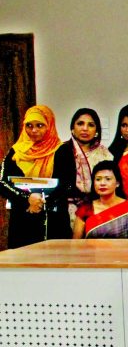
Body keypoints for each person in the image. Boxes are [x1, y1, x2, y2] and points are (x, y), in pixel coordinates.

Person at [0, 104, 70, 248]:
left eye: (39, 125)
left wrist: (41, 201)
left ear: (49, 126)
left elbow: (68, 183)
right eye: (29, 126)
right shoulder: (16, 152)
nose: (34, 130)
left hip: (53, 220)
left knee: (54, 265)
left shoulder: (61, 150)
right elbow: (2, 183)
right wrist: (28, 199)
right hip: (23, 218)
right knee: (22, 266)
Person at [52, 108, 113, 226]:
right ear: (72, 128)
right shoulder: (62, 151)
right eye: (80, 124)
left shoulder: (105, 153)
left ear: (97, 130)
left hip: (100, 208)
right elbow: (59, 185)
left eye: (90, 125)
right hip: (67, 211)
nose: (85, 128)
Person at [73, 161, 128, 239]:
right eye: (98, 179)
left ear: (117, 183)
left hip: (125, 251)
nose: (102, 183)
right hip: (93, 251)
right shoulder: (85, 209)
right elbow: (75, 244)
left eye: (108, 179)